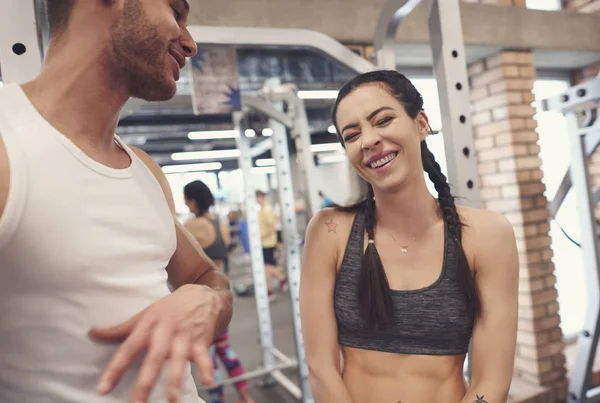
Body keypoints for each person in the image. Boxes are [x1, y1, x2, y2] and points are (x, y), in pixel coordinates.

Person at [0, 2, 233, 403]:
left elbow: (207, 278)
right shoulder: (8, 142)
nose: (191, 44)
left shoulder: (143, 169)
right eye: (175, 12)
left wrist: (206, 301)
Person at [299, 70, 519, 403]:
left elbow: (492, 379)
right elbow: (320, 366)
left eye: (383, 120)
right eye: (352, 134)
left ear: (420, 123)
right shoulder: (330, 231)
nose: (369, 140)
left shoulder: (487, 236)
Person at [183, 180, 256, 403]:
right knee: (225, 349)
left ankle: (218, 400)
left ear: (192, 201)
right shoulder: (221, 223)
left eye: (186, 199)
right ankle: (245, 395)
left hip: (201, 301)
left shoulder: (191, 226)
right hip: (222, 295)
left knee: (207, 355)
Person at [256, 190, 288, 301]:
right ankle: (270, 289)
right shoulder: (262, 210)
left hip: (268, 243)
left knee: (267, 268)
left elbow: (271, 228)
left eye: (257, 198)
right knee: (267, 269)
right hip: (265, 243)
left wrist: (260, 237)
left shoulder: (266, 210)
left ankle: (280, 280)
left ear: (261, 197)